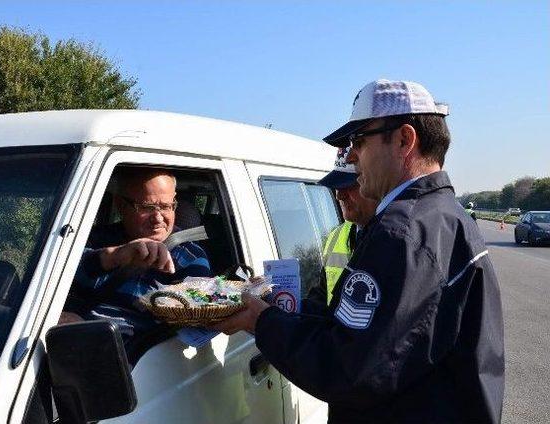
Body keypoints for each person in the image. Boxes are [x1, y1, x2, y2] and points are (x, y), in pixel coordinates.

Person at [214, 79, 505, 423]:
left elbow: (346, 368)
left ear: (403, 140)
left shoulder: (402, 233)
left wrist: (259, 320)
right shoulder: (441, 216)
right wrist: (279, 308)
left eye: (359, 141)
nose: (350, 156)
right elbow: (361, 332)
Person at [67, 168, 211, 329]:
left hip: (130, 349)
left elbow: (198, 312)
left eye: (165, 206)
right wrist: (114, 256)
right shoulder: (94, 239)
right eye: (147, 207)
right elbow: (58, 273)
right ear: (120, 205)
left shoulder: (189, 256)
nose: (157, 218)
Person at [306, 146, 378, 307]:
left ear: (374, 183)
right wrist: (277, 303)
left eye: (349, 185)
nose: (339, 195)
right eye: (337, 186)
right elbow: (321, 301)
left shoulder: (396, 236)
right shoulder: (335, 237)